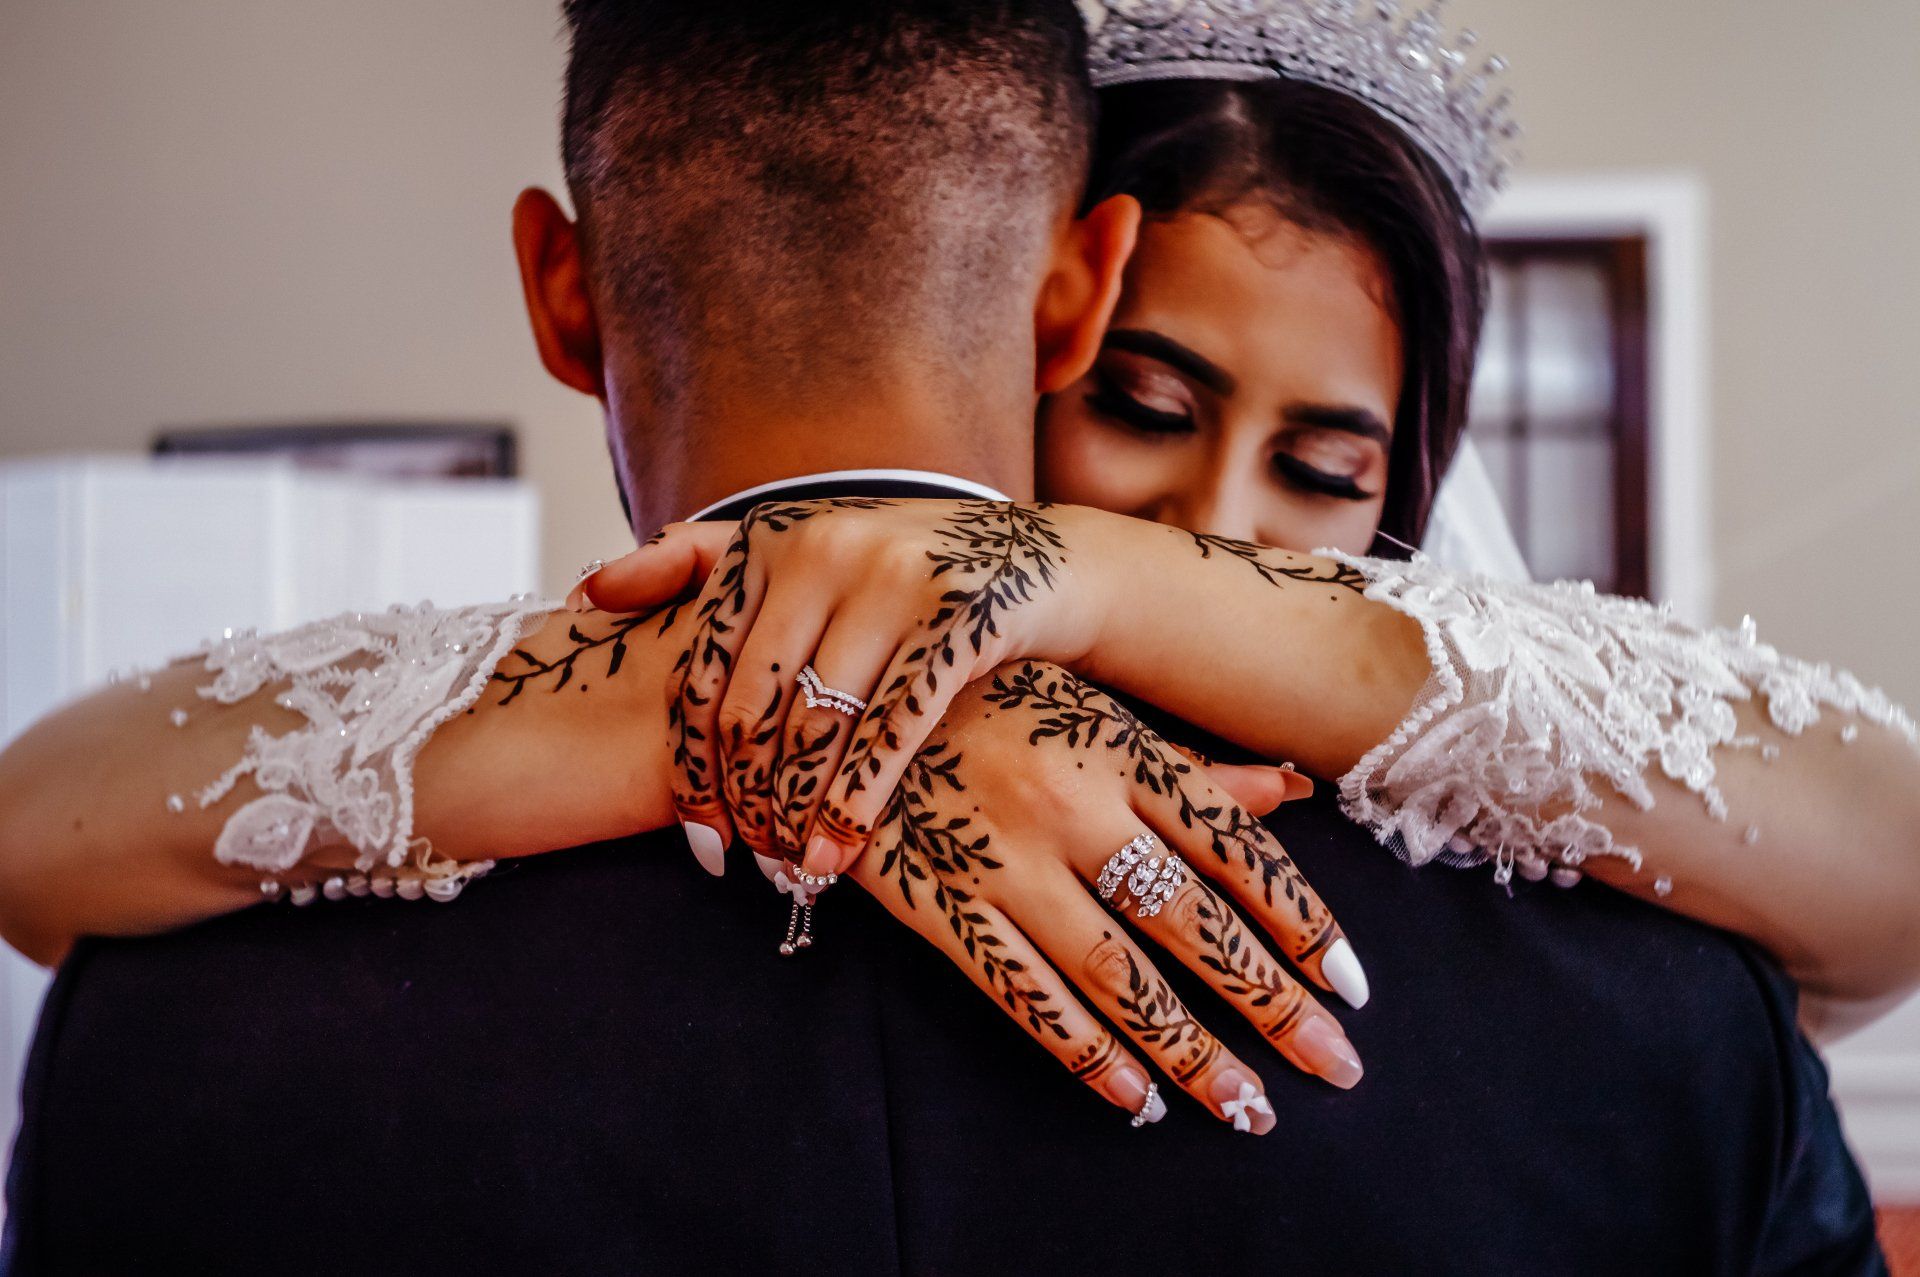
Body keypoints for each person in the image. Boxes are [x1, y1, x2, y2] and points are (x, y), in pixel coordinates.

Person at [0, 0, 1892, 1272]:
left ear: (566, 300)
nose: (1214, 533)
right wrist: (779, 689)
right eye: (1150, 407)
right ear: (1068, 301)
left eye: (1327, 471)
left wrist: (1057, 583)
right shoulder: (1653, 1012)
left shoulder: (169, 1018)